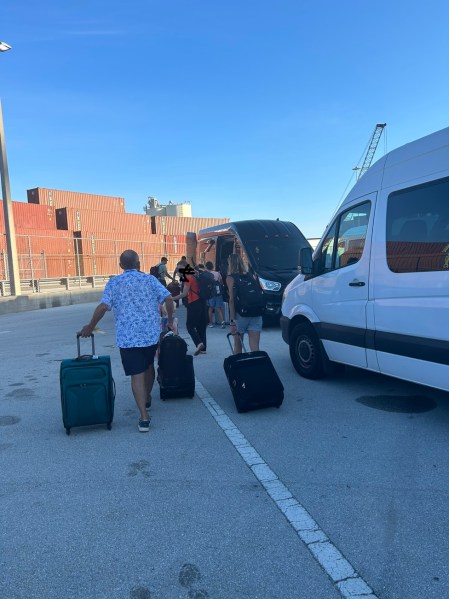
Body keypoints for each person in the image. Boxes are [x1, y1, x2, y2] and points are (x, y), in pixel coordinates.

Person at [80, 249, 175, 433]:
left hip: (128, 337)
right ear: (138, 264)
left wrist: (90, 326)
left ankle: (144, 417)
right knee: (149, 365)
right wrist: (169, 320)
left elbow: (103, 306)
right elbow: (169, 298)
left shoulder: (114, 282)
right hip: (150, 334)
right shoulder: (150, 279)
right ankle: (147, 397)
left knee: (136, 374)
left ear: (121, 265)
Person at [226, 253, 262, 354]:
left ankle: (239, 364)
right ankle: (256, 362)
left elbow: (232, 300)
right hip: (256, 313)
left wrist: (232, 321)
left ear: (230, 264)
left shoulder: (231, 278)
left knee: (238, 345)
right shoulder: (251, 275)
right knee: (255, 346)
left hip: (240, 315)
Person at [172, 264, 208, 356]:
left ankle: (199, 343)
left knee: (190, 326)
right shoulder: (195, 275)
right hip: (202, 302)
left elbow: (184, 294)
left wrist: (172, 298)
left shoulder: (187, 277)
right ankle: (203, 349)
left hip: (194, 303)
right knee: (201, 325)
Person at [205, 261, 225, 328]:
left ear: (206, 267)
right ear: (212, 266)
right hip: (218, 292)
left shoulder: (207, 274)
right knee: (219, 308)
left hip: (211, 294)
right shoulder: (218, 273)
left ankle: (211, 323)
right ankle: (222, 322)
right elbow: (221, 283)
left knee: (210, 308)